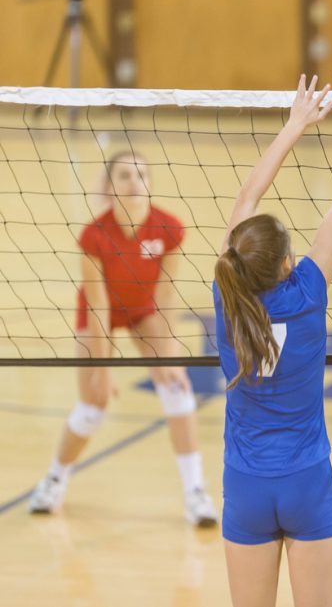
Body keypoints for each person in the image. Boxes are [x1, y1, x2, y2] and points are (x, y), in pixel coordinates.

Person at [213, 61, 332, 607]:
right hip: (306, 481)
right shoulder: (308, 292)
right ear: (289, 263)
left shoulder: (228, 293)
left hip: (246, 483)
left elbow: (245, 199)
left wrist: (293, 125)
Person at [28, 150, 218, 527]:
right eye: (125, 176)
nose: (135, 183)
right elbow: (97, 305)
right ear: (109, 187)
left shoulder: (169, 229)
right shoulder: (94, 235)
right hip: (99, 313)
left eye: (141, 175)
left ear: (151, 185)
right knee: (92, 404)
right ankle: (54, 481)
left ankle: (196, 493)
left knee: (177, 387)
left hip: (142, 310)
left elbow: (165, 298)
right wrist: (103, 367)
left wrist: (169, 357)